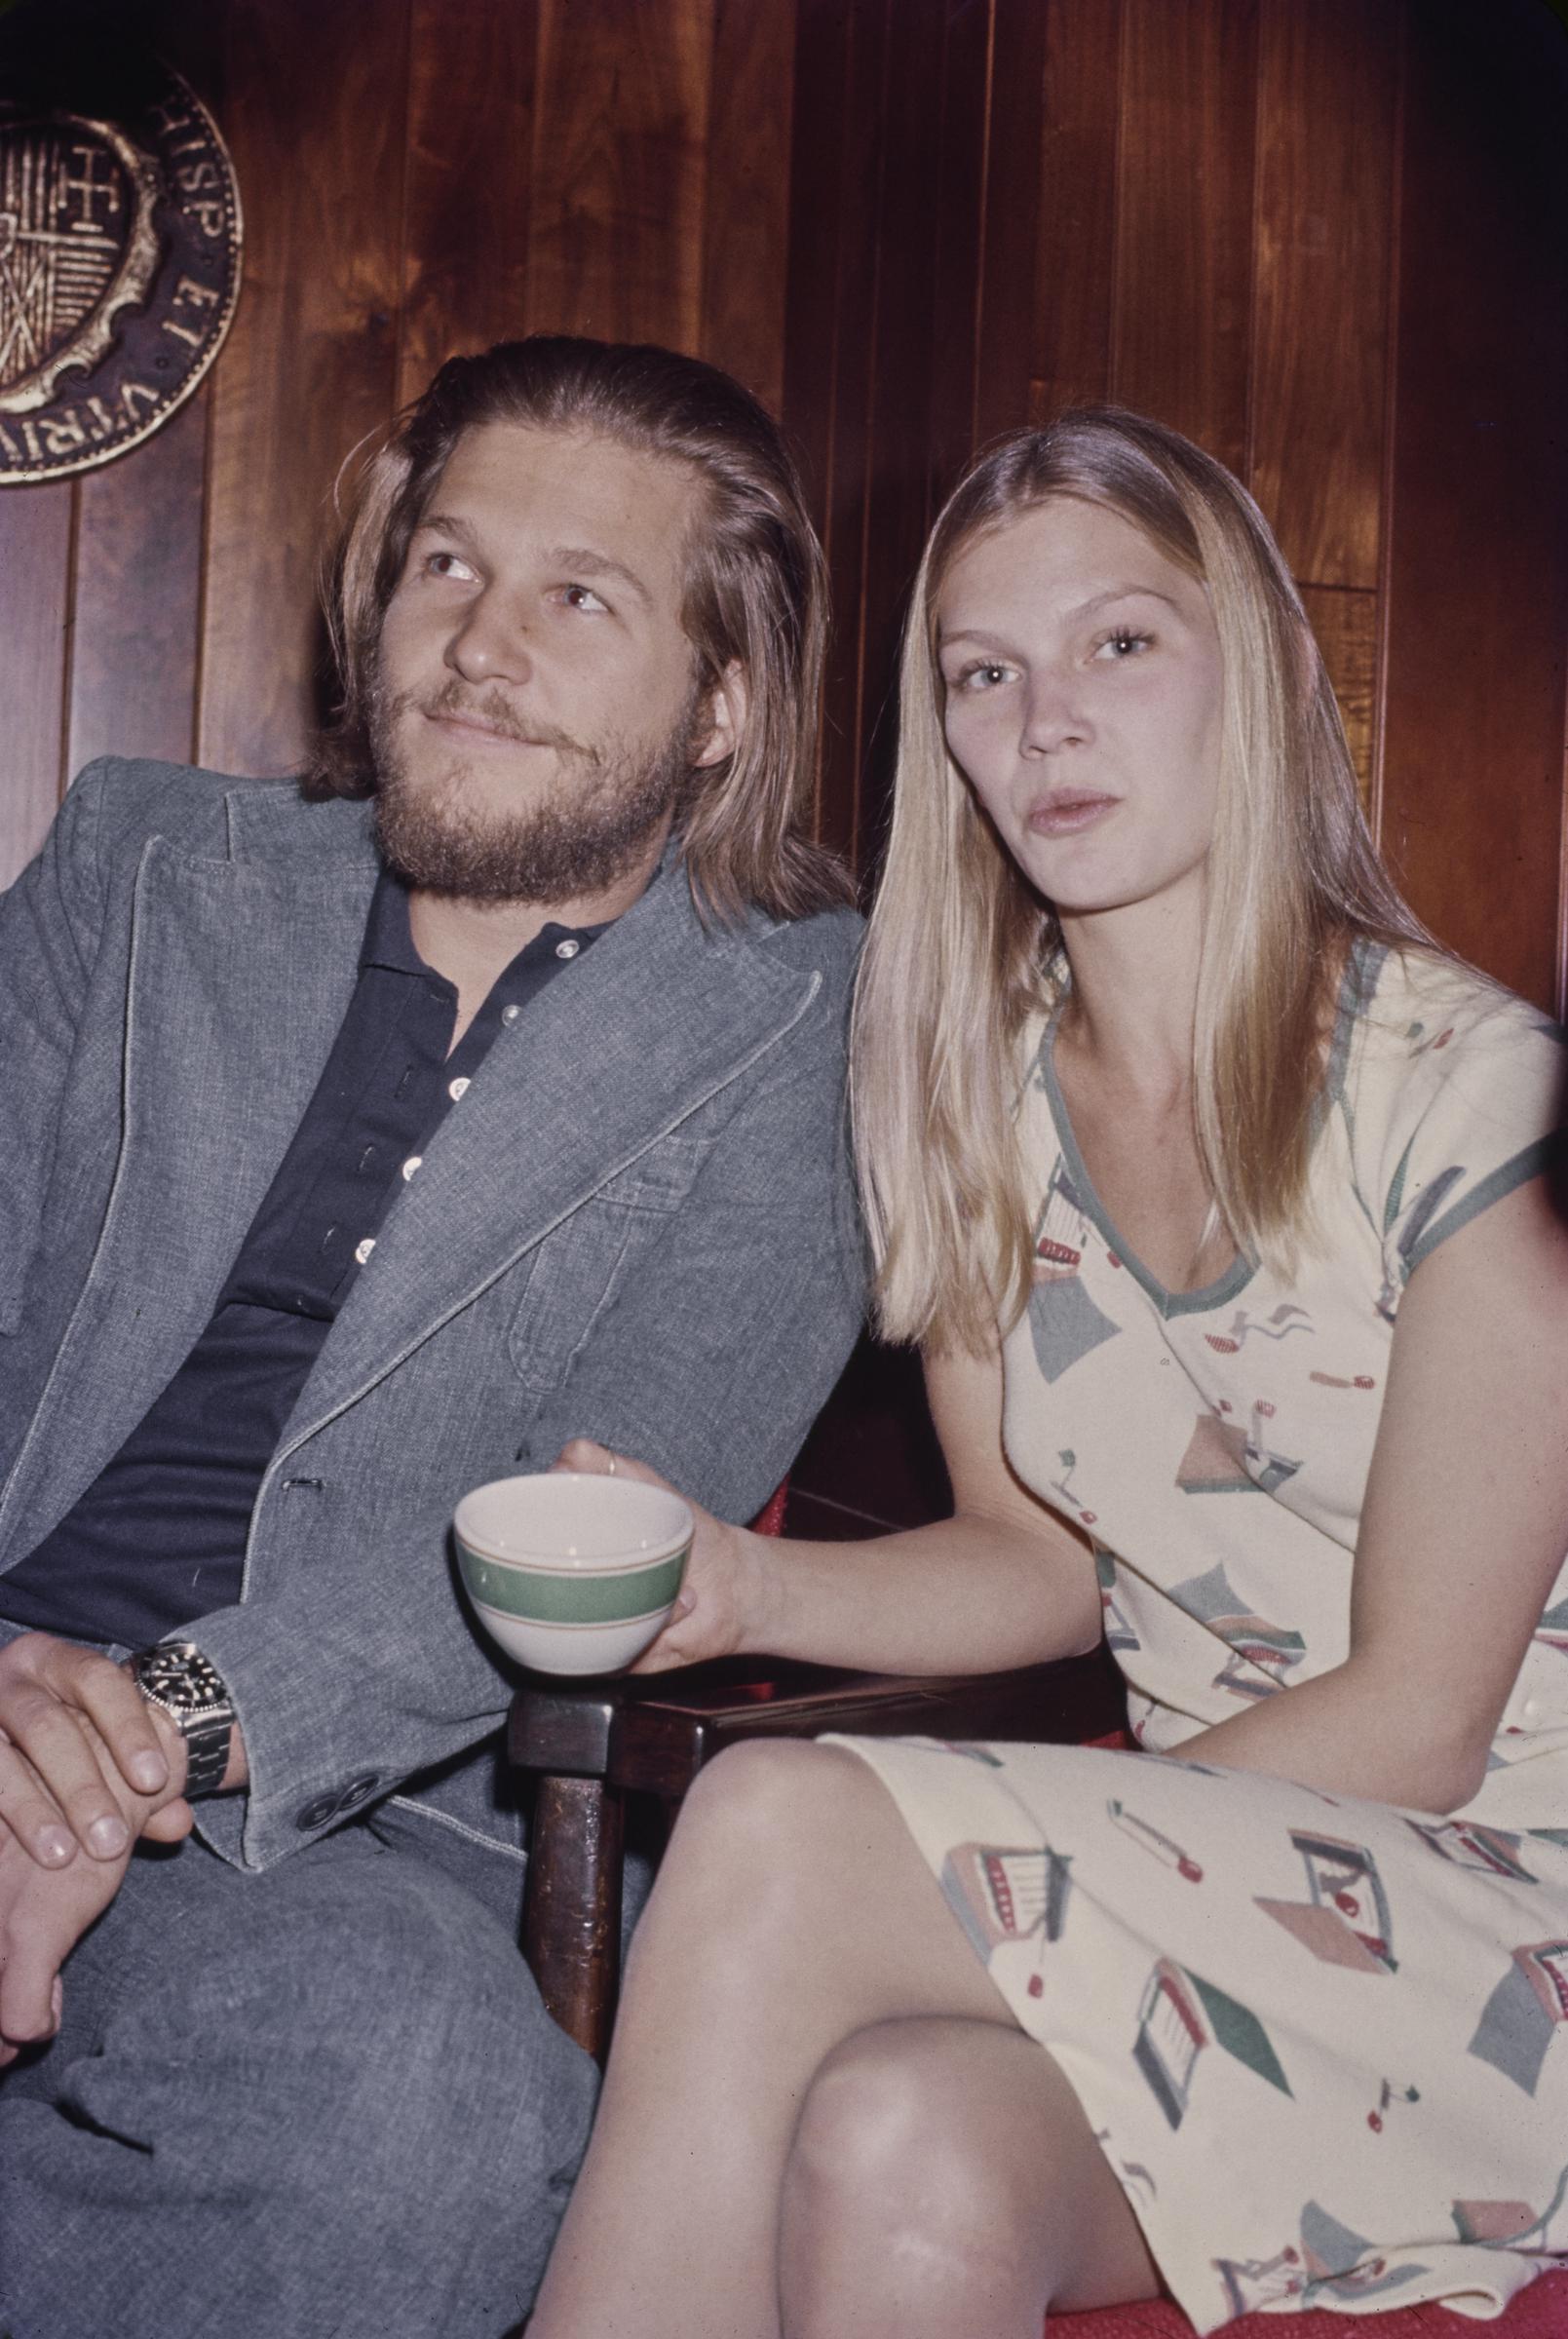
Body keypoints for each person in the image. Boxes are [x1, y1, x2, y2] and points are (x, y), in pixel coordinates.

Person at [524, 408, 1568, 2339]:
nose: (1049, 724)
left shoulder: (1475, 1094)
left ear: (1245, 672)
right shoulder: (974, 1093)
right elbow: (1038, 1555)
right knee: (903, 2144)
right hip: (1201, 1880)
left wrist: (996, 1842)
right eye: (983, 678)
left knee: (769, 1821)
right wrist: (742, 1584)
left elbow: (1424, 1719)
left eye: (1118, 647)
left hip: (1497, 1923)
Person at [0, 335, 864, 2338]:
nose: (479, 645)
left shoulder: (800, 1028)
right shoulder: (146, 868)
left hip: (338, 1821)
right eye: (446, 569)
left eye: (581, 595)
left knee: (425, 2100)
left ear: (723, 704)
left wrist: (132, 1739)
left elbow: (604, 1532)